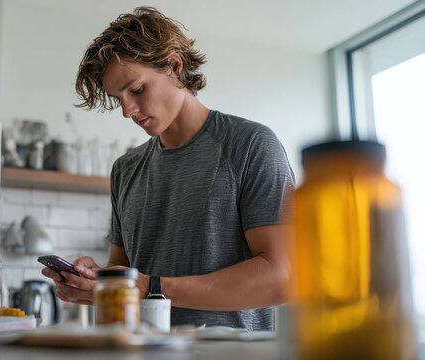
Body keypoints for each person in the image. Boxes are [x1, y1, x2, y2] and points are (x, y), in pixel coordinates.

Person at [41, 6, 295, 330]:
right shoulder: (125, 170)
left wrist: (153, 287)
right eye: (118, 98)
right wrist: (94, 283)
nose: (128, 111)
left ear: (174, 67)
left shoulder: (250, 146)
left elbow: (282, 276)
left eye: (136, 89)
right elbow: (128, 282)